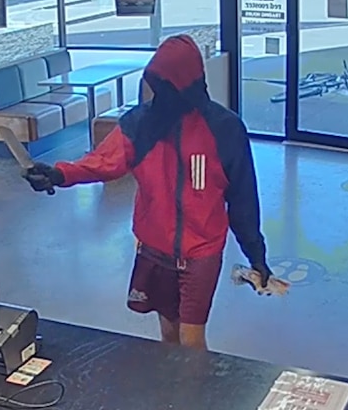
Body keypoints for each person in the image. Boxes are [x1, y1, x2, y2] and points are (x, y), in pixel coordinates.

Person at [24, 35, 271, 350]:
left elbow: (243, 201)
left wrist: (256, 255)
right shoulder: (141, 123)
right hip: (154, 248)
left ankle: (194, 397)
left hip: (201, 253)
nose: (159, 94)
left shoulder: (225, 129)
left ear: (187, 85)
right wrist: (59, 174)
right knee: (168, 335)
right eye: (156, 85)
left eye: (167, 86)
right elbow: (103, 162)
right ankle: (171, 395)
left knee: (191, 339)